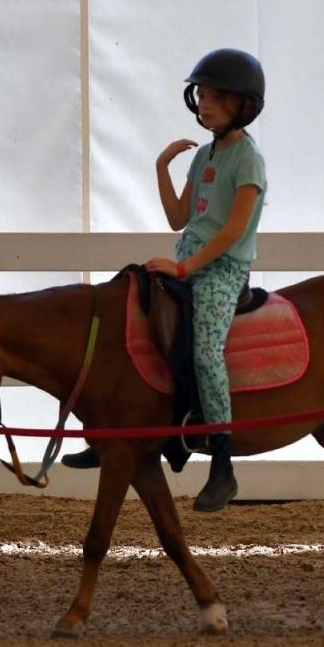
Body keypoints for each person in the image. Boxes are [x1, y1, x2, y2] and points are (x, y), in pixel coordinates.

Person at [64, 49, 267, 514]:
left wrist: (184, 269)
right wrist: (161, 169)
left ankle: (222, 462)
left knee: (205, 351)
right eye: (203, 96)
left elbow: (234, 231)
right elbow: (179, 218)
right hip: (189, 262)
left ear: (243, 105)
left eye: (217, 98)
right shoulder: (206, 158)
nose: (205, 105)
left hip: (221, 271)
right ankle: (113, 433)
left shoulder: (248, 160)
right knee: (134, 323)